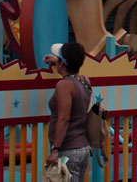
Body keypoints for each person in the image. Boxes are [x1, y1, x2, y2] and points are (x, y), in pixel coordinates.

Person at [44, 42, 92, 182]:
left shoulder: (64, 85)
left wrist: (54, 149)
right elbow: (71, 77)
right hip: (82, 147)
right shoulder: (85, 81)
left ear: (62, 64)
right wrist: (57, 63)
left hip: (68, 149)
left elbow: (64, 118)